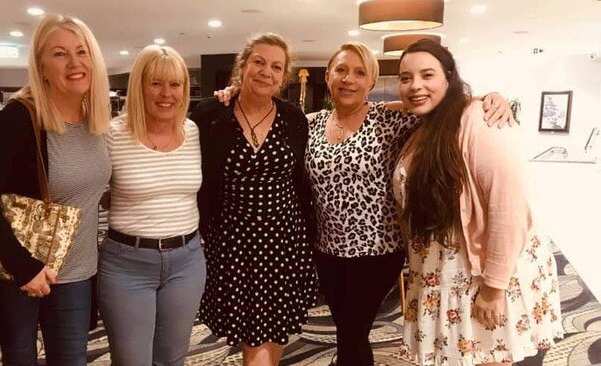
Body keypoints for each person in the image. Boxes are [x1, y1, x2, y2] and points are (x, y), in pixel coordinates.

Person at [303, 42, 514, 366]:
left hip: (376, 252)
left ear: (371, 83)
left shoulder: (390, 117)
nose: (349, 79)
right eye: (341, 70)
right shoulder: (311, 123)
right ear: (328, 75)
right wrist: (231, 93)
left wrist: (488, 98)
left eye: (360, 73)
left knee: (352, 329)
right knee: (346, 325)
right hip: (327, 250)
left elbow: (445, 105)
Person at [393, 39, 563, 365]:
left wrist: (493, 290)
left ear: (448, 77)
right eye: (405, 78)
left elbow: (508, 206)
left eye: (427, 75)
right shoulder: (426, 125)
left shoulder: (479, 120)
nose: (415, 85)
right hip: (441, 275)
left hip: (480, 280)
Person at [0, 14, 111, 365]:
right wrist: (24, 267)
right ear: (41, 65)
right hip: (22, 272)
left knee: (71, 359)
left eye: (82, 51)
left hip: (77, 272)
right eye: (60, 54)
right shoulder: (18, 119)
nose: (75, 63)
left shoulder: (97, 120)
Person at [190, 33, 317, 366]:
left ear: (283, 77)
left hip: (285, 242)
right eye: (259, 62)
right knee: (254, 335)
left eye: (276, 67)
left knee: (273, 330)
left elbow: (299, 180)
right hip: (233, 243)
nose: (266, 72)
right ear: (242, 66)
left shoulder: (293, 119)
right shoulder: (211, 115)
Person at [97, 45, 205, 366]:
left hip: (187, 261)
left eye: (175, 84)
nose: (166, 93)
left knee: (172, 359)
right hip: (127, 264)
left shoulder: (193, 131)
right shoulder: (114, 134)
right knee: (132, 361)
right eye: (156, 83)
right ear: (138, 85)